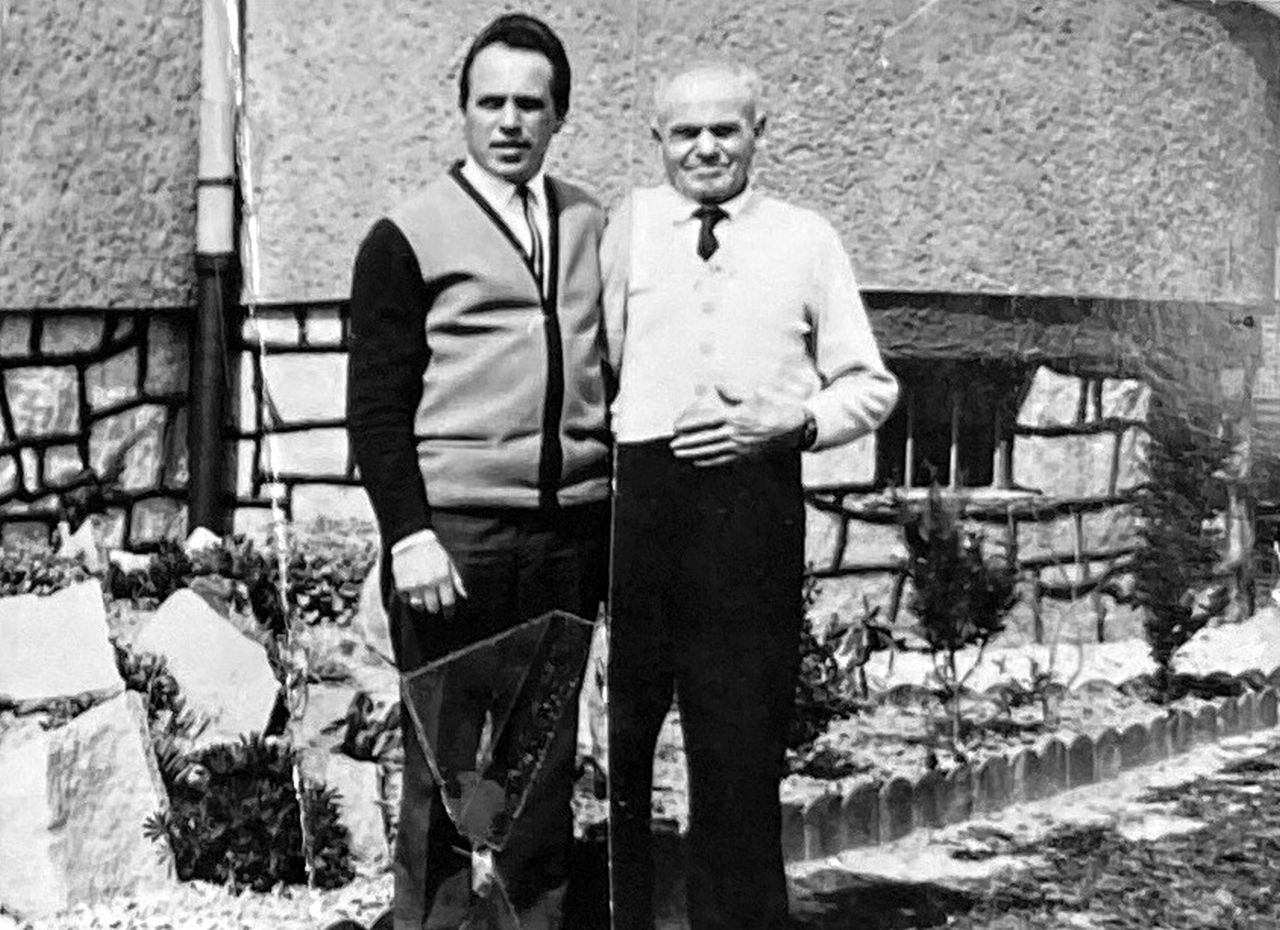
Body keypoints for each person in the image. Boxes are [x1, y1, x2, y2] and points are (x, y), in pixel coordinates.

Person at [601, 60, 900, 930]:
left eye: (725, 130)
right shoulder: (627, 228)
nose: (706, 148)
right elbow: (595, 361)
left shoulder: (805, 238)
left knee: (738, 750)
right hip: (641, 510)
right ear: (657, 140)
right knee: (624, 749)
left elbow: (870, 384)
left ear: (758, 134)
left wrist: (794, 422)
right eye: (685, 132)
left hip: (751, 511)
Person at [346, 13, 611, 930]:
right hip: (456, 539)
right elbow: (375, 408)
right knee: (449, 772)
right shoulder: (408, 234)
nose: (509, 122)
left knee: (537, 768)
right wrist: (409, 534)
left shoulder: (590, 223)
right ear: (461, 110)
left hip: (566, 535)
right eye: (490, 102)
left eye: (530, 105)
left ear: (558, 115)